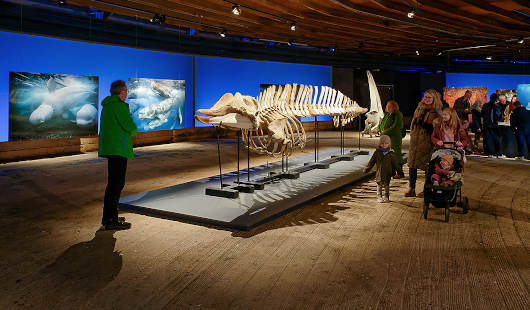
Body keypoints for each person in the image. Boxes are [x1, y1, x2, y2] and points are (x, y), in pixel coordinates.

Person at [98, 80, 138, 230]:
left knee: (113, 184)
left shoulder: (107, 106)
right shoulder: (119, 106)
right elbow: (129, 125)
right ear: (121, 92)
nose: (127, 94)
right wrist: (134, 128)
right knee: (116, 184)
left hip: (111, 148)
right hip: (118, 149)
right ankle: (110, 220)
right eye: (126, 91)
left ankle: (109, 216)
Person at [405, 89, 442, 197]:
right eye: (425, 97)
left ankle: (427, 189)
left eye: (429, 97)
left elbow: (439, 128)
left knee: (428, 167)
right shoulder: (419, 108)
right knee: (412, 165)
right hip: (415, 142)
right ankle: (412, 189)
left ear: (434, 98)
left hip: (427, 143)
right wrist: (412, 134)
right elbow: (413, 123)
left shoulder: (437, 111)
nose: (427, 99)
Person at [364, 135, 399, 203]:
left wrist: (397, 172)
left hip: (387, 172)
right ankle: (379, 195)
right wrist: (367, 168)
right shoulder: (377, 152)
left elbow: (394, 164)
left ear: (389, 144)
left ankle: (386, 195)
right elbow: (372, 161)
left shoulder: (391, 153)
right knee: (379, 184)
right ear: (380, 144)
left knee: (386, 185)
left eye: (386, 143)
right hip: (379, 172)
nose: (384, 145)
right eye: (382, 143)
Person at [378, 100, 404, 178]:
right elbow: (382, 124)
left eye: (390, 106)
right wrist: (380, 130)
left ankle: (400, 173)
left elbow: (395, 126)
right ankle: (392, 172)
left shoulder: (397, 114)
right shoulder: (387, 114)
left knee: (396, 155)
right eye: (387, 106)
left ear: (394, 107)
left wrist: (385, 132)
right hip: (386, 138)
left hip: (394, 138)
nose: (388, 107)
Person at [481, 93, 503, 158]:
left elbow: (482, 114)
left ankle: (490, 153)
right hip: (494, 126)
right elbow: (499, 116)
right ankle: (498, 154)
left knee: (488, 140)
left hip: (487, 125)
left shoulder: (485, 105)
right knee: (497, 139)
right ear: (496, 99)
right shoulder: (498, 107)